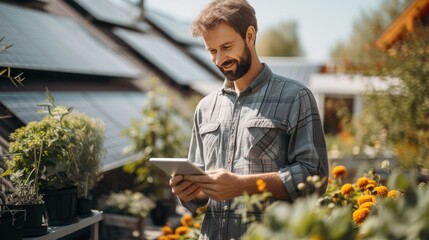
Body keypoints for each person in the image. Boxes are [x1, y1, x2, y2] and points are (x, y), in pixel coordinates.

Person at [169, 0, 329, 239]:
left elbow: (314, 177)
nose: (219, 59)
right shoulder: (205, 108)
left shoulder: (296, 97)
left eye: (226, 46)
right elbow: (200, 196)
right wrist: (190, 191)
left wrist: (241, 185)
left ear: (250, 35)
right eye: (212, 51)